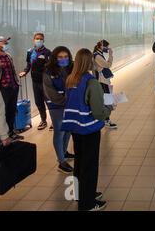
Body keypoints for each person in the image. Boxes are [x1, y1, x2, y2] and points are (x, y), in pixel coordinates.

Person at [61, 48, 111, 211]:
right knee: (90, 166)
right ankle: (88, 204)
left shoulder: (71, 79)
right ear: (90, 62)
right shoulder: (91, 82)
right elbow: (97, 112)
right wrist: (109, 110)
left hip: (75, 128)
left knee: (80, 162)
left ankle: (80, 194)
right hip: (89, 130)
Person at [43, 46, 75, 173]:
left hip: (69, 104)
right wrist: (66, 101)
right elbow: (49, 91)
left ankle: (64, 152)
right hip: (56, 105)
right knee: (60, 131)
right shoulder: (48, 71)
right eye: (60, 57)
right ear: (55, 58)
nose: (63, 59)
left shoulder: (71, 68)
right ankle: (61, 162)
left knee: (68, 129)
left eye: (66, 57)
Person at [19, 33, 51, 130]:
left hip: (45, 82)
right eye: (37, 39)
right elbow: (29, 65)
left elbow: (51, 67)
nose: (39, 40)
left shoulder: (48, 52)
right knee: (38, 102)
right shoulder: (30, 52)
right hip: (35, 81)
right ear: (33, 40)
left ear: (43, 41)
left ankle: (54, 121)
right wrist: (24, 71)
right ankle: (43, 120)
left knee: (49, 101)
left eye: (41, 39)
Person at [0, 36, 23, 141]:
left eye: (5, 42)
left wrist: (16, 83)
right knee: (3, 111)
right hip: (3, 87)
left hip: (13, 85)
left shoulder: (7, 55)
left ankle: (11, 132)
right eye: (2, 42)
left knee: (12, 110)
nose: (4, 43)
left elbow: (12, 70)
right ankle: (3, 135)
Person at [93, 40, 117, 129]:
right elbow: (107, 65)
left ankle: (105, 119)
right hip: (102, 81)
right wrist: (111, 55)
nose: (107, 49)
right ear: (101, 46)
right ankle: (106, 120)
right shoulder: (97, 55)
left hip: (103, 80)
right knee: (107, 100)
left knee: (106, 99)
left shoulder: (98, 54)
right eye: (106, 47)